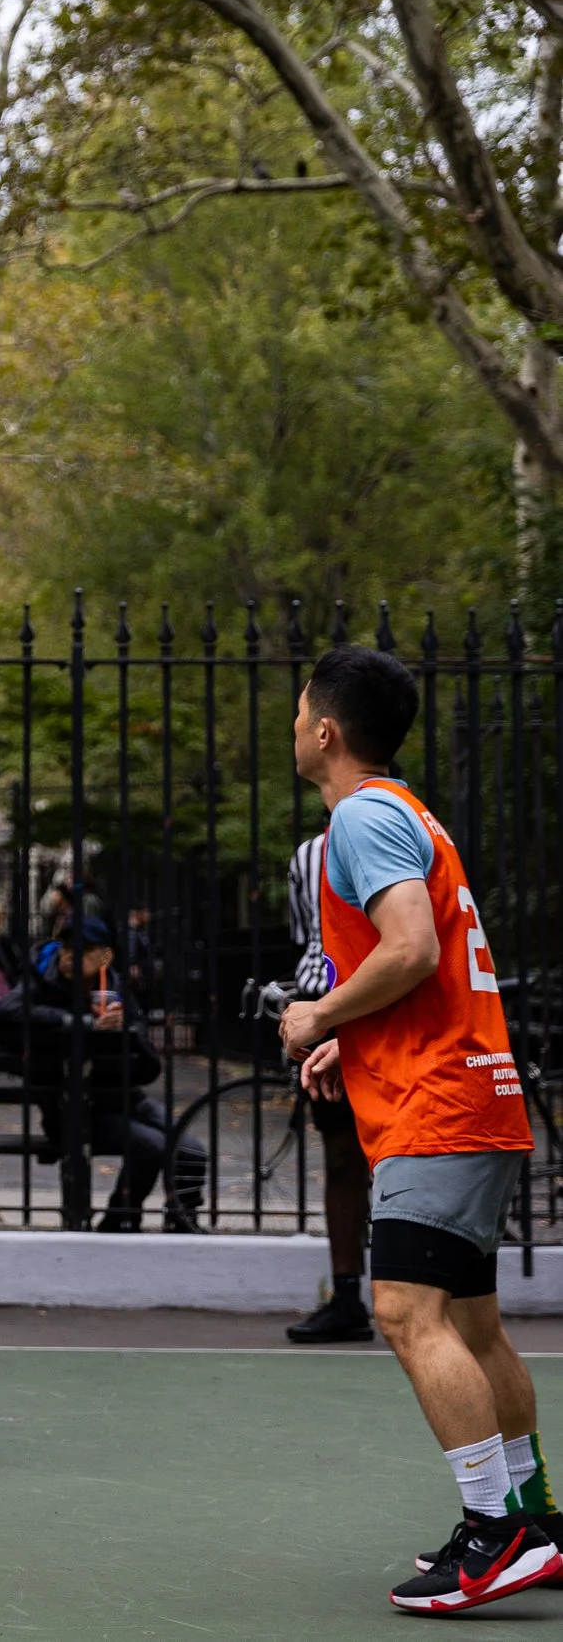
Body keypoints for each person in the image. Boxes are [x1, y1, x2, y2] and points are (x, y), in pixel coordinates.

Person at [282, 646, 555, 1613]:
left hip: (438, 1109)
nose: (294, 725)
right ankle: (531, 1518)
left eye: (299, 711)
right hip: (474, 1096)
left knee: (403, 1310)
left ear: (326, 730)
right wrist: (350, 1034)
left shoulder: (361, 817)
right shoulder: (406, 811)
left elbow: (411, 947)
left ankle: (493, 1535)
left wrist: (317, 1012)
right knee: (473, 1323)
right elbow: (417, 966)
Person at [0, 916, 206, 1232]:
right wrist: (81, 1021)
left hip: (124, 1099)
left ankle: (180, 1220)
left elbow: (149, 1066)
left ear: (106, 956)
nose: (70, 956)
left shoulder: (115, 988)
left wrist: (125, 1031)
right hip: (71, 1109)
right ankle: (120, 1219)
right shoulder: (42, 980)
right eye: (67, 947)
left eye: (83, 949)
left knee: (191, 1151)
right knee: (151, 1146)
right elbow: (6, 1011)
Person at [285, 829, 372, 1344]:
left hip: (378, 1000)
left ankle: (415, 1288)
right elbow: (307, 936)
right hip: (329, 1004)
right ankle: (347, 1295)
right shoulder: (307, 856)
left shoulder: (393, 833)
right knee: (341, 1154)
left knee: (397, 1151)